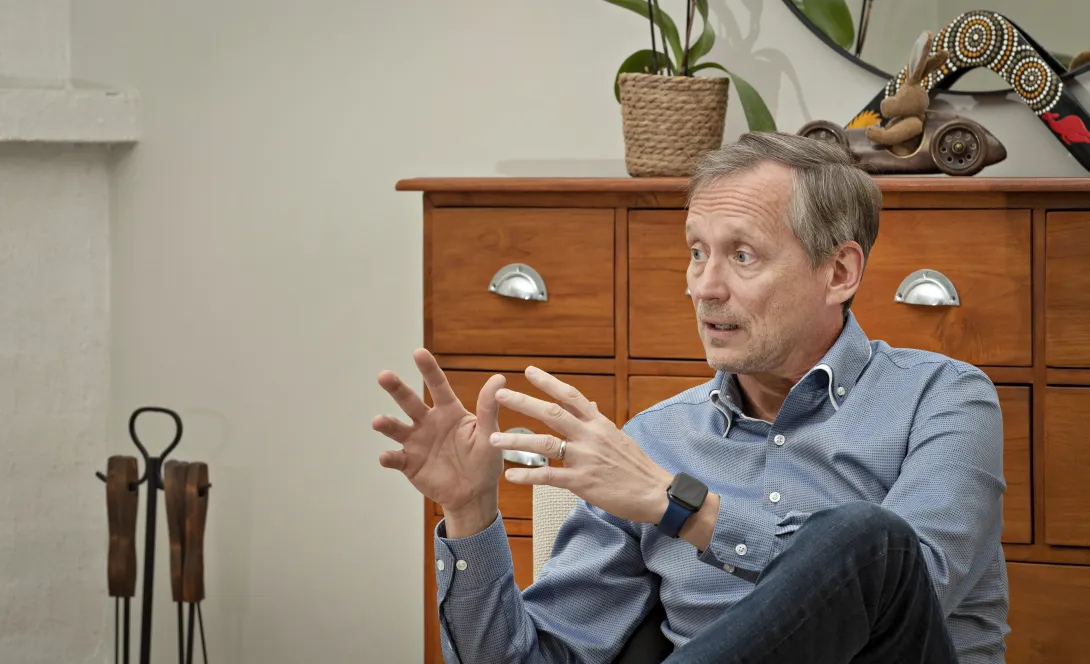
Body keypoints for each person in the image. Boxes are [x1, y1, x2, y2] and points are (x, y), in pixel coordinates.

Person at [372, 131, 1009, 664]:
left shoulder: (943, 398)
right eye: (697, 252)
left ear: (838, 272)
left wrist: (676, 505)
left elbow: (915, 586)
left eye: (743, 255)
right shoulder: (656, 442)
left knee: (871, 541)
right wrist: (471, 512)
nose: (704, 287)